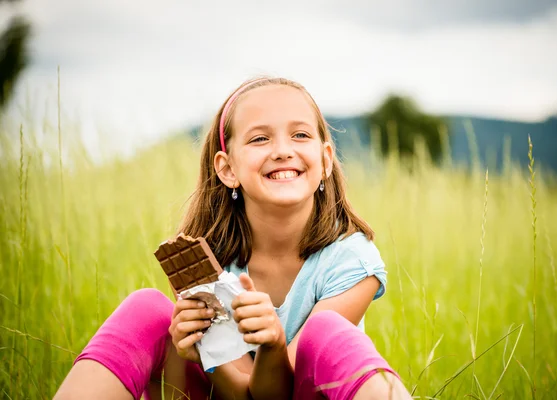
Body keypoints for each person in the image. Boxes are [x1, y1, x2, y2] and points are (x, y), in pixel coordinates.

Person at [54, 77, 412, 400]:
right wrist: (203, 353)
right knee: (146, 309)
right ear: (227, 169)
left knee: (327, 330)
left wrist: (273, 345)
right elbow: (244, 396)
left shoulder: (352, 261)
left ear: (326, 158)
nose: (283, 150)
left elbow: (279, 396)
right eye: (260, 138)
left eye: (300, 135)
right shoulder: (204, 266)